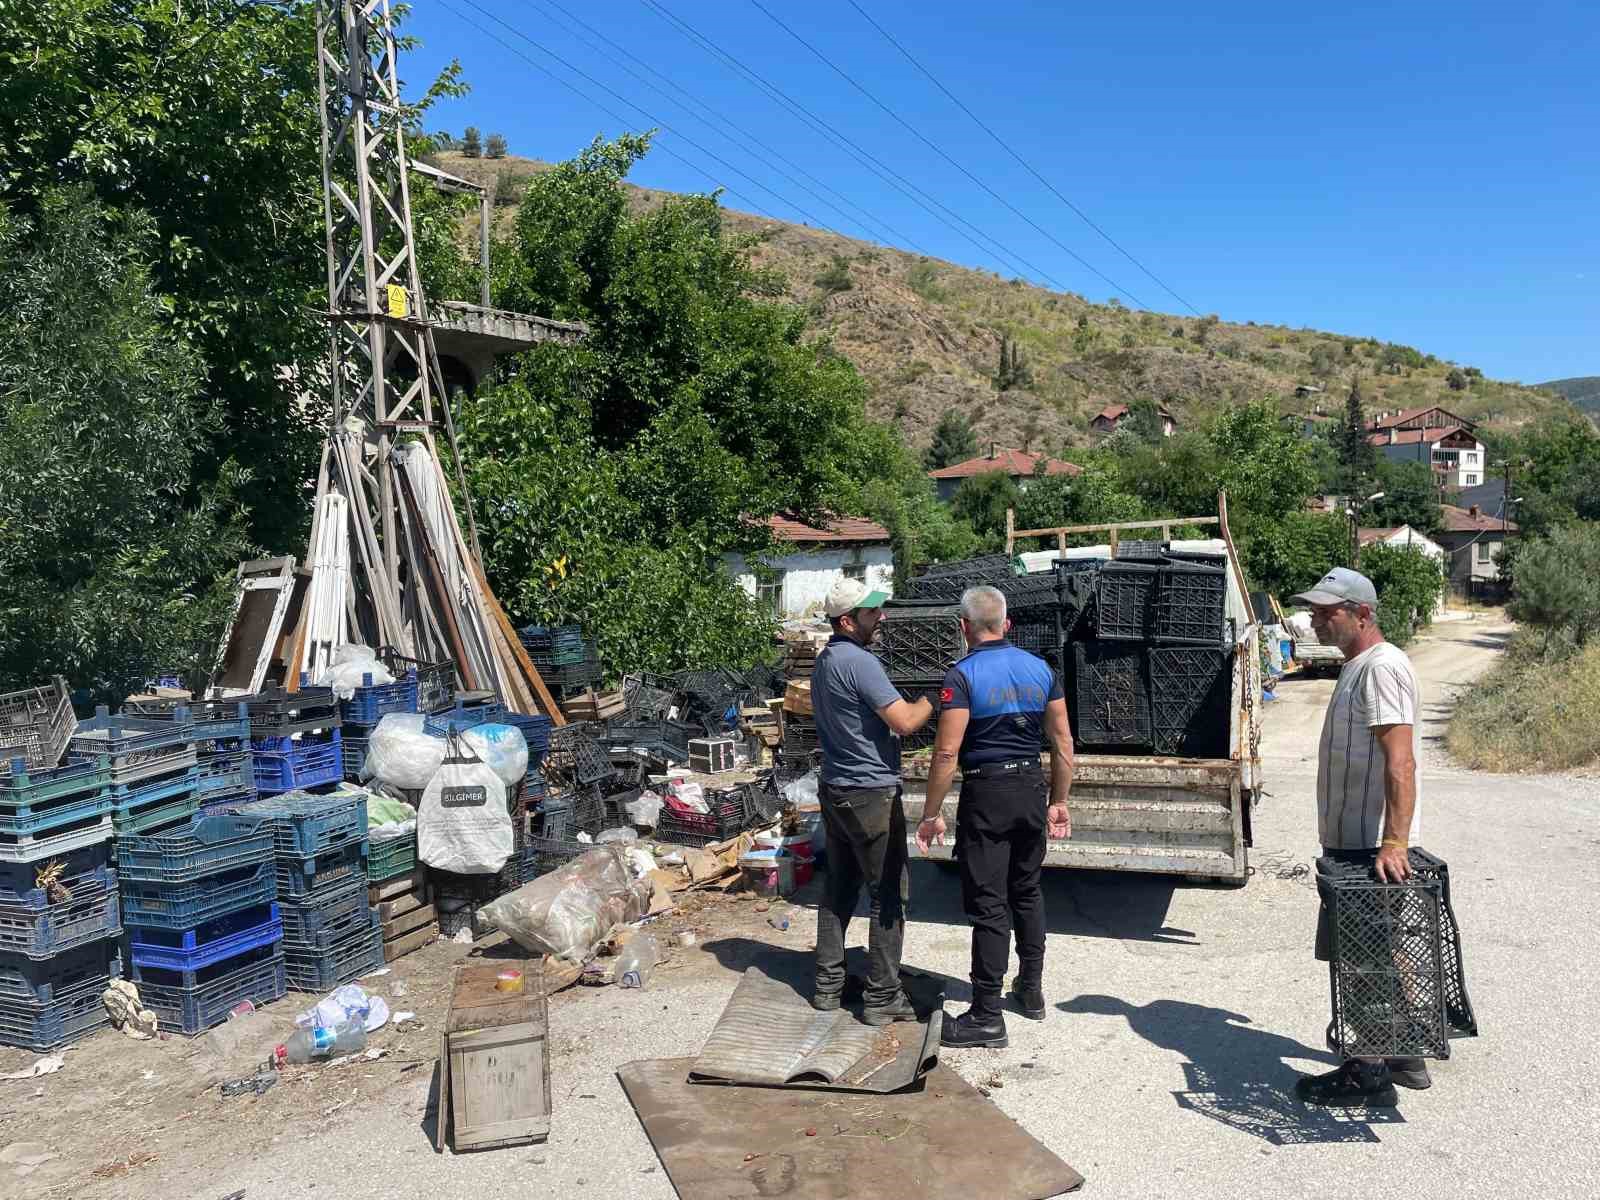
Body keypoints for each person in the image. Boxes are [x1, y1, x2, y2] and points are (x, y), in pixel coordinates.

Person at [1288, 566, 1426, 1107]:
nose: (1317, 620)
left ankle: (1367, 1071)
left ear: (1363, 613)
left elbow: (1401, 762)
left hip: (1369, 848)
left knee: (1362, 956)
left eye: (1329, 612)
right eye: (1316, 611)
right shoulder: (1357, 666)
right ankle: (1405, 1054)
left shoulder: (1380, 668)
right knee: (1382, 948)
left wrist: (1394, 842)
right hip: (1357, 843)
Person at [915, 585, 1073, 1049]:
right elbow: (1063, 745)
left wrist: (930, 814)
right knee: (1026, 889)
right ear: (1006, 625)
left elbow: (946, 752)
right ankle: (1031, 989)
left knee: (988, 903)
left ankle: (986, 1014)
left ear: (964, 627)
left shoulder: (961, 675)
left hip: (987, 792)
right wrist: (1059, 801)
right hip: (1030, 787)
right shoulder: (1040, 669)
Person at [809, 576, 935, 1025]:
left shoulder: (825, 662)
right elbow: (902, 722)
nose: (880, 618)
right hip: (870, 794)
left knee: (839, 888)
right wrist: (936, 699)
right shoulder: (859, 663)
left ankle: (828, 987)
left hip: (837, 789)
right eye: (871, 613)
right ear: (847, 621)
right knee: (888, 894)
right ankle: (881, 997)